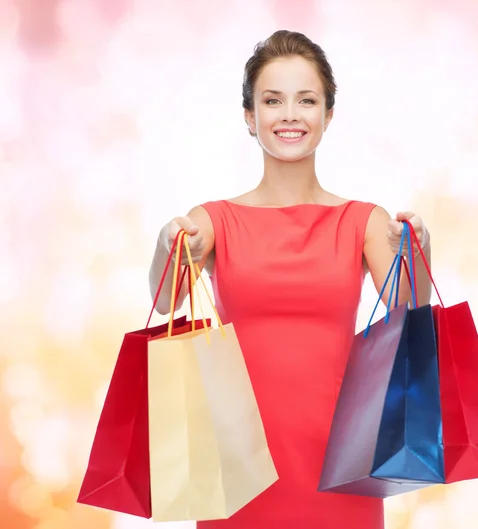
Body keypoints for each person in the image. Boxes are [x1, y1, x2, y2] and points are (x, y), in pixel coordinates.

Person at [148, 29, 432, 529]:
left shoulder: (363, 221)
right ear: (249, 117)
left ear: (328, 115)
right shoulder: (214, 219)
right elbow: (167, 300)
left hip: (341, 465)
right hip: (241, 469)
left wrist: (420, 251)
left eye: (306, 100)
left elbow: (407, 311)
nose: (290, 114)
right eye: (272, 100)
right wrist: (168, 243)